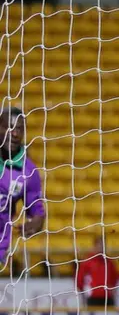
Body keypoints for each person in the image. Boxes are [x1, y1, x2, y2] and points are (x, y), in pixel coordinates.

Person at [0, 107, 44, 264]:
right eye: (9, 127)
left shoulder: (28, 171)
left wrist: (36, 223)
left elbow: (37, 211)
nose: (15, 134)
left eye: (19, 129)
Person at [76, 236, 119, 306]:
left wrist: (111, 290)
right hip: (92, 297)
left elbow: (114, 278)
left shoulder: (109, 262)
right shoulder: (87, 262)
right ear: (95, 246)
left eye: (103, 245)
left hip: (107, 296)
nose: (101, 247)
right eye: (99, 245)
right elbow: (80, 279)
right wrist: (84, 292)